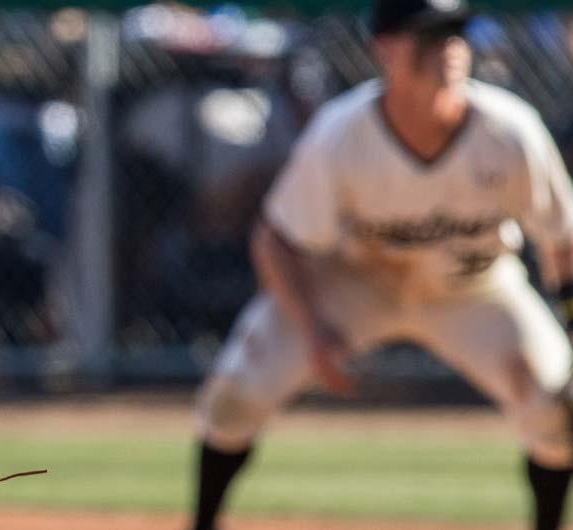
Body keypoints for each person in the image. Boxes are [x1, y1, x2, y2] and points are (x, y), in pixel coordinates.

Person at [191, 1, 573, 529]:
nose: (449, 51)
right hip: (354, 283)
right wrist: (312, 328)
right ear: (385, 50)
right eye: (431, 37)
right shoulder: (342, 133)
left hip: (474, 288)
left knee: (558, 412)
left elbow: (565, 243)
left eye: (455, 36)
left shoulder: (511, 130)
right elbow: (276, 240)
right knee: (234, 396)